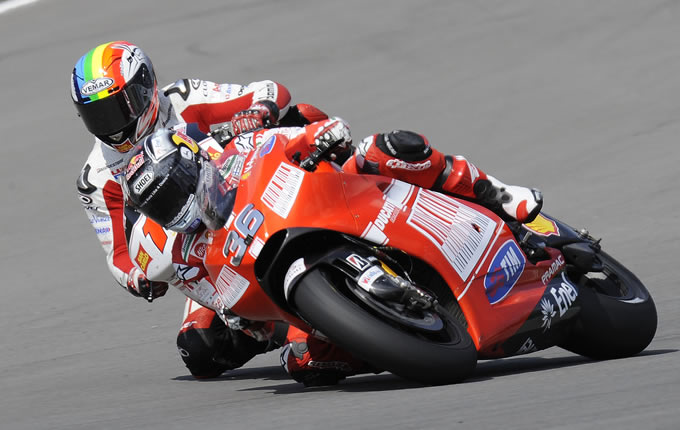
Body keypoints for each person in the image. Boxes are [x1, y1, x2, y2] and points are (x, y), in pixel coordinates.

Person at [122, 118, 543, 385]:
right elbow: (209, 294)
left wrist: (319, 135)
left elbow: (289, 132)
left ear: (193, 163)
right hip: (277, 263)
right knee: (302, 361)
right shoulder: (185, 249)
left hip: (329, 198)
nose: (176, 205)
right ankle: (394, 341)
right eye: (163, 206)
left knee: (382, 149)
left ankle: (495, 193)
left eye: (176, 189)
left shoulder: (230, 151)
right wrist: (238, 318)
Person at [72, 41, 329, 378]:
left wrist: (259, 111)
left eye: (120, 108)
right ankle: (289, 322)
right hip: (197, 245)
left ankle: (361, 176)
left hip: (248, 188)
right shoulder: (96, 177)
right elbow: (118, 252)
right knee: (200, 347)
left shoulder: (183, 98)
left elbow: (268, 91)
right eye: (98, 115)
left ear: (145, 87)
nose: (113, 126)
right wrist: (137, 277)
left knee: (303, 116)